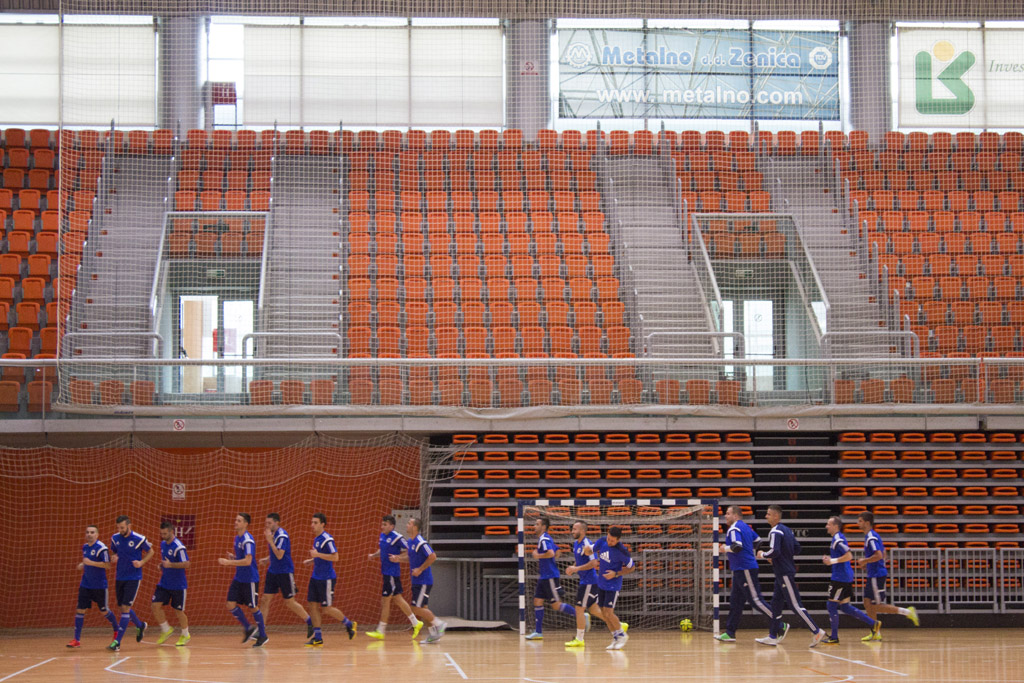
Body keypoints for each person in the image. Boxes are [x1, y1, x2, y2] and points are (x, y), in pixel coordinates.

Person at [754, 505, 826, 648]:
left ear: (776, 516)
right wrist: (784, 556)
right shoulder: (787, 530)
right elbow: (797, 548)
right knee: (776, 604)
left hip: (784, 572)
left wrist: (762, 554)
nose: (766, 517)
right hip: (782, 572)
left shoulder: (775, 531)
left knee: (795, 605)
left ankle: (816, 631)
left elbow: (774, 551)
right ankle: (773, 635)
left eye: (768, 514)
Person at [855, 511, 919, 639]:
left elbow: (878, 555)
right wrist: (869, 564)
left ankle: (907, 612)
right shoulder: (873, 536)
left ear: (867, 523)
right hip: (873, 573)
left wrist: (865, 561)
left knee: (875, 605)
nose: (858, 523)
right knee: (867, 602)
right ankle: (875, 632)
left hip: (876, 575)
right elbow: (883, 553)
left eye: (860, 521)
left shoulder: (871, 537)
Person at [715, 505, 774, 642]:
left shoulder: (734, 528)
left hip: (745, 568)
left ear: (736, 516)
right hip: (739, 569)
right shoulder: (746, 527)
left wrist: (725, 548)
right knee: (736, 602)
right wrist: (748, 549)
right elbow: (758, 541)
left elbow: (737, 546)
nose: (726, 516)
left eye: (728, 513)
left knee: (755, 600)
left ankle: (779, 623)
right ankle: (730, 632)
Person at [389, 517, 447, 643]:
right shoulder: (410, 542)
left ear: (415, 527)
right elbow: (411, 558)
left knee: (415, 608)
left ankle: (439, 624)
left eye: (409, 523)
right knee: (423, 609)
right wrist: (398, 559)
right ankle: (433, 635)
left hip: (423, 581)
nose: (407, 525)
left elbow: (432, 556)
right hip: (416, 581)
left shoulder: (421, 542)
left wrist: (420, 569)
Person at [821, 516, 878, 644]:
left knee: (831, 605)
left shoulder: (837, 539)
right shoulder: (838, 538)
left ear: (835, 526)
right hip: (845, 575)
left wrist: (832, 561)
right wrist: (831, 559)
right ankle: (873, 624)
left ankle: (834, 637)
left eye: (828, 524)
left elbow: (849, 555)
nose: (826, 526)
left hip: (840, 577)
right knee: (845, 607)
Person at [563, 520, 620, 648]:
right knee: (594, 610)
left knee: (579, 608)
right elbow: (579, 560)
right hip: (586, 581)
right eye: (572, 529)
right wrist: (573, 567)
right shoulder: (575, 544)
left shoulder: (587, 544)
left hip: (589, 581)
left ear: (583, 531)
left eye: (575, 529)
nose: (572, 531)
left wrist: (576, 569)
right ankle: (618, 625)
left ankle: (579, 639)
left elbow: (594, 563)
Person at [303, 513, 356, 647]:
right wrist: (312, 560)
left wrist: (317, 555)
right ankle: (318, 637)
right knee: (312, 605)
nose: (312, 525)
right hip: (315, 577)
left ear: (323, 524)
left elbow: (335, 557)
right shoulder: (317, 539)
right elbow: (321, 556)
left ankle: (349, 624)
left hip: (326, 578)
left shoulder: (327, 539)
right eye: (312, 522)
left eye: (315, 523)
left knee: (326, 609)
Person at [258, 513, 315, 639]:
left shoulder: (282, 535)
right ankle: (261, 631)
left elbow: (279, 555)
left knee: (289, 602)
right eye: (266, 523)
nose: (267, 525)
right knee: (265, 600)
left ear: (277, 523)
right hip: (273, 571)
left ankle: (310, 622)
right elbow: (275, 554)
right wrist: (267, 559)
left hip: (285, 572)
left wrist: (270, 541)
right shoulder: (273, 536)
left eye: (269, 523)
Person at [366, 515, 422, 639]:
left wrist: (399, 559)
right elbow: (383, 550)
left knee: (385, 600)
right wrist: (374, 555)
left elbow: (411, 550)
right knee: (397, 599)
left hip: (392, 573)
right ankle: (415, 623)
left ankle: (381, 630)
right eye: (382, 524)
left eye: (385, 525)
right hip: (385, 572)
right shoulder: (382, 536)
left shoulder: (397, 537)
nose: (382, 527)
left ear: (392, 526)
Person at [217, 513, 268, 647]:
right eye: (235, 520)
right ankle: (248, 628)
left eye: (239, 521)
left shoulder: (247, 540)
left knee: (253, 607)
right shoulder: (237, 538)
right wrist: (234, 558)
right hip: (239, 578)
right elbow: (242, 558)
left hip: (250, 579)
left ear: (246, 524)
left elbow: (248, 561)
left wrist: (228, 562)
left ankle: (263, 635)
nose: (236, 522)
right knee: (230, 604)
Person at [524, 516, 577, 640]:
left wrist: (538, 555)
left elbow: (552, 553)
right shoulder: (547, 538)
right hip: (544, 577)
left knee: (556, 605)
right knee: (537, 601)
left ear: (543, 527)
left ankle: (580, 615)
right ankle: (538, 632)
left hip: (550, 577)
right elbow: (557, 552)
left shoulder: (544, 539)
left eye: (537, 524)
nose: (534, 526)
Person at [68, 525, 120, 648]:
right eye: (87, 532)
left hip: (99, 586)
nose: (89, 534)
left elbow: (107, 565)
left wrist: (90, 563)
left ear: (97, 535)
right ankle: (76, 640)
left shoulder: (102, 548)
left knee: (104, 610)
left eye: (92, 532)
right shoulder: (85, 547)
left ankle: (116, 629)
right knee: (80, 609)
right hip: (85, 584)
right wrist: (83, 565)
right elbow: (87, 561)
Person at [108, 515, 154, 652]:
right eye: (118, 527)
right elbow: (115, 552)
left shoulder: (139, 539)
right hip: (120, 577)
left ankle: (117, 642)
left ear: (129, 525)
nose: (120, 530)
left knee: (126, 608)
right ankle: (140, 625)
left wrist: (141, 562)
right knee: (123, 608)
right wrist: (114, 558)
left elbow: (151, 551)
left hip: (134, 577)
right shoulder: (115, 538)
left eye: (122, 527)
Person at [591, 525, 635, 650]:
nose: (610, 542)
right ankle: (615, 637)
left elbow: (632, 567)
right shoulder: (602, 541)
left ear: (618, 540)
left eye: (613, 540)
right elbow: (592, 549)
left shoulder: (622, 551)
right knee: (604, 613)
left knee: (609, 612)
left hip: (613, 585)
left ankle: (622, 634)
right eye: (609, 539)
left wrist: (616, 574)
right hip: (601, 583)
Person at [151, 521, 191, 646]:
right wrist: (162, 565)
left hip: (178, 585)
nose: (163, 535)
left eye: (165, 533)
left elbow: (187, 564)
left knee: (178, 611)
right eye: (161, 533)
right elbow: (166, 561)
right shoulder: (163, 544)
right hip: (164, 583)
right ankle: (166, 629)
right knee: (155, 605)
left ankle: (185, 634)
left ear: (171, 531)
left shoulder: (179, 547)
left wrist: (171, 565)